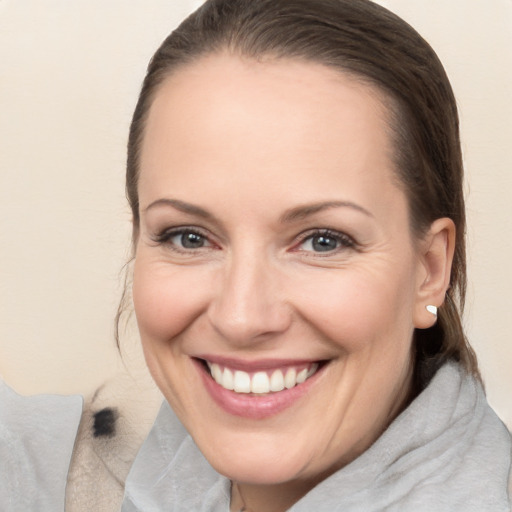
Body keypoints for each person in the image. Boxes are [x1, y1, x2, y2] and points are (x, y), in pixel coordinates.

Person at [0, 0, 510, 511]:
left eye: (322, 240)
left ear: (430, 269)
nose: (241, 318)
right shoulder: (116, 460)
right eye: (189, 237)